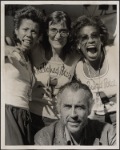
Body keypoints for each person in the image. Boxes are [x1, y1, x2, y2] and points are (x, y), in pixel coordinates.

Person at [29, 11, 80, 137]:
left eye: (63, 31)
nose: (58, 36)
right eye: (53, 30)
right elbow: (11, 41)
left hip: (58, 120)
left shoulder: (75, 57)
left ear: (69, 33)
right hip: (32, 116)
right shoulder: (35, 50)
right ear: (46, 31)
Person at [5, 6, 44, 145]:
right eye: (25, 29)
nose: (29, 34)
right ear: (16, 31)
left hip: (25, 115)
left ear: (38, 37)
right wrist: (5, 49)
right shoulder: (7, 45)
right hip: (8, 111)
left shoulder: (29, 60)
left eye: (34, 31)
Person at [34, 81, 116, 145]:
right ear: (59, 109)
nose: (73, 115)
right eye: (68, 107)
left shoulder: (108, 132)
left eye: (79, 107)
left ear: (89, 109)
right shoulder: (45, 138)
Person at [70, 15, 117, 125]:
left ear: (101, 40)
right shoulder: (78, 68)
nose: (90, 40)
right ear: (78, 44)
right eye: (84, 38)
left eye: (94, 36)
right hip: (95, 121)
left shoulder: (114, 54)